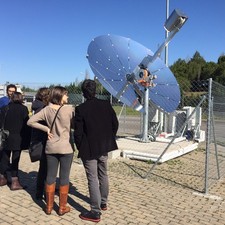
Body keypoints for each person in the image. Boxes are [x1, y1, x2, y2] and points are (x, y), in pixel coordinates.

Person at [74, 79, 119, 223]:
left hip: (90, 149)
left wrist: (80, 146)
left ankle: (95, 211)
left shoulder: (81, 109)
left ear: (83, 93)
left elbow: (78, 133)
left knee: (92, 178)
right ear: (96, 90)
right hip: (104, 147)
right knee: (103, 174)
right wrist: (109, 138)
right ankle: (103, 202)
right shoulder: (106, 104)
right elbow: (115, 124)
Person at [27, 86, 74, 216]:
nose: (67, 97)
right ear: (59, 96)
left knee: (50, 176)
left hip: (51, 147)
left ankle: (48, 207)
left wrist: (46, 129)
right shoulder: (69, 109)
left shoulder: (46, 109)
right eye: (65, 94)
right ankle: (62, 207)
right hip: (66, 148)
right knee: (64, 177)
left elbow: (30, 122)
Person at [0, 92, 31, 190]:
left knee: (4, 158)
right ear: (21, 98)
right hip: (19, 138)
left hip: (6, 137)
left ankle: (2, 178)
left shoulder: (5, 108)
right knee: (15, 160)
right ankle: (14, 181)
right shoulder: (23, 109)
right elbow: (26, 126)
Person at [31, 87, 50, 200]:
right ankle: (42, 192)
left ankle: (40, 191)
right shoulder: (42, 109)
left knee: (43, 168)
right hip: (43, 141)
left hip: (40, 140)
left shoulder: (37, 106)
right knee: (45, 168)